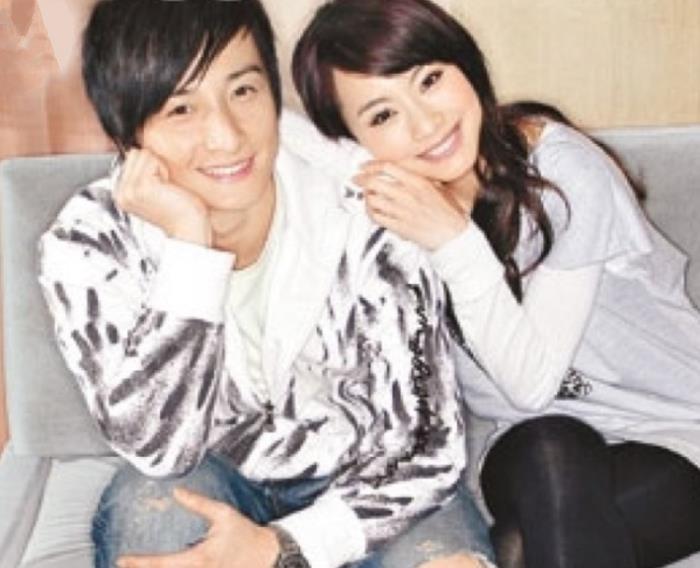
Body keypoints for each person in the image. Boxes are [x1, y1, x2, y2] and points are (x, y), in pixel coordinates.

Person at [37, 1, 499, 567]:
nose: (227, 136)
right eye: (182, 109)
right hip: (211, 470)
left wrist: (284, 548)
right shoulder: (89, 242)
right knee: (153, 517)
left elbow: (426, 449)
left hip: (373, 482)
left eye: (243, 91)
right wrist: (190, 249)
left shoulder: (374, 209)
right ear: (125, 131)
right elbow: (160, 450)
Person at [292, 1, 700, 567]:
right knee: (551, 444)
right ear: (354, 144)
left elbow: (531, 382)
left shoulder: (563, 171)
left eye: (430, 80)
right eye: (383, 115)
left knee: (523, 549)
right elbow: (272, 139)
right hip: (526, 447)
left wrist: (455, 243)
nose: (426, 123)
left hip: (674, 431)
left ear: (466, 66)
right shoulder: (383, 215)